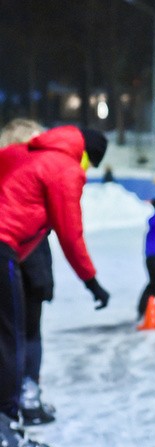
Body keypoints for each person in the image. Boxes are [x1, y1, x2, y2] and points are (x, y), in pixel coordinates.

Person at [0, 125, 111, 447]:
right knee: (10, 338)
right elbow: (70, 232)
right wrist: (92, 282)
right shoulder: (64, 169)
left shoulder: (24, 153)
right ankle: (4, 430)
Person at [0, 119, 55, 426]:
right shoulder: (31, 180)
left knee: (15, 338)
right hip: (24, 269)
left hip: (25, 268)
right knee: (24, 336)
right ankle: (25, 398)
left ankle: (20, 398)